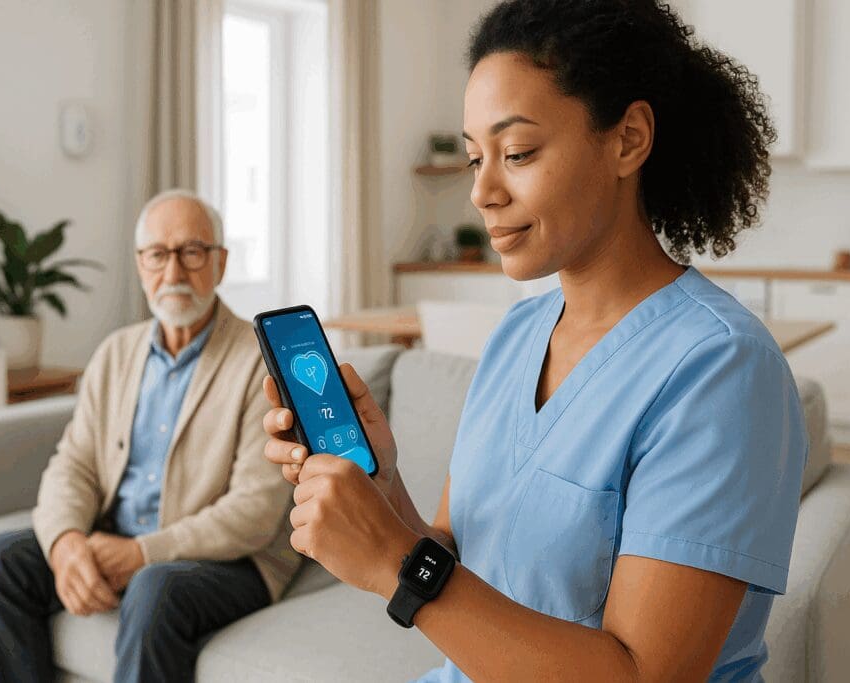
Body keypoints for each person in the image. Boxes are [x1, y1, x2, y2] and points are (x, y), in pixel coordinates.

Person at [261, 1, 807, 681]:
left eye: (516, 153)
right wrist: (384, 493)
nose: (482, 191)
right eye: (474, 158)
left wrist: (396, 562)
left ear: (628, 139)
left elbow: (643, 674)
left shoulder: (722, 370)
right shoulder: (518, 335)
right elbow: (458, 559)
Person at [0, 190, 298, 683]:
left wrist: (144, 552)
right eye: (158, 255)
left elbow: (254, 512)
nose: (174, 272)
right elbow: (74, 464)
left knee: (154, 587)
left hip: (231, 560)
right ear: (140, 265)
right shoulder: (115, 353)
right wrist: (65, 542)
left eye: (192, 252)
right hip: (120, 536)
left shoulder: (261, 363)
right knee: (0, 562)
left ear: (221, 262)